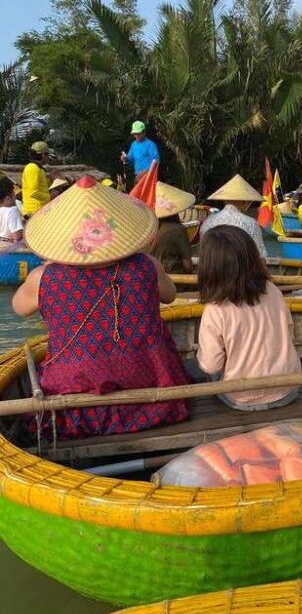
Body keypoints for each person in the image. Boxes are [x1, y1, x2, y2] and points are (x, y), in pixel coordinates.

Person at [12, 176, 191, 440]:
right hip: (149, 385)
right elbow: (170, 295)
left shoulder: (44, 277)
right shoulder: (147, 266)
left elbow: (19, 308)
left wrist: (49, 268)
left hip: (73, 391)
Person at [196, 225, 301, 411]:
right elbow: (290, 331)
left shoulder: (215, 309)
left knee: (208, 371)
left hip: (241, 398)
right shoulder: (272, 290)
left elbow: (211, 365)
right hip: (288, 389)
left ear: (209, 267)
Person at [202, 174, 267, 259]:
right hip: (240, 266)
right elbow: (260, 256)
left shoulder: (207, 222)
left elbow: (203, 252)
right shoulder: (251, 223)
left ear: (224, 201)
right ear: (244, 202)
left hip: (213, 266)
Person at [151, 181, 196, 273]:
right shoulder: (178, 229)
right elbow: (188, 265)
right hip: (173, 275)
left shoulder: (154, 228)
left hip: (155, 273)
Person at [21, 141, 51, 217]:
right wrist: (50, 196)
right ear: (43, 155)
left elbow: (41, 187)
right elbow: (34, 193)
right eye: (48, 155)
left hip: (39, 210)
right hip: (34, 211)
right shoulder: (33, 168)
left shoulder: (38, 168)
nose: (48, 157)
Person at [0, 177, 23, 243]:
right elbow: (17, 236)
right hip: (9, 246)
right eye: (14, 194)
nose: (15, 197)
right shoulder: (12, 211)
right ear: (8, 198)